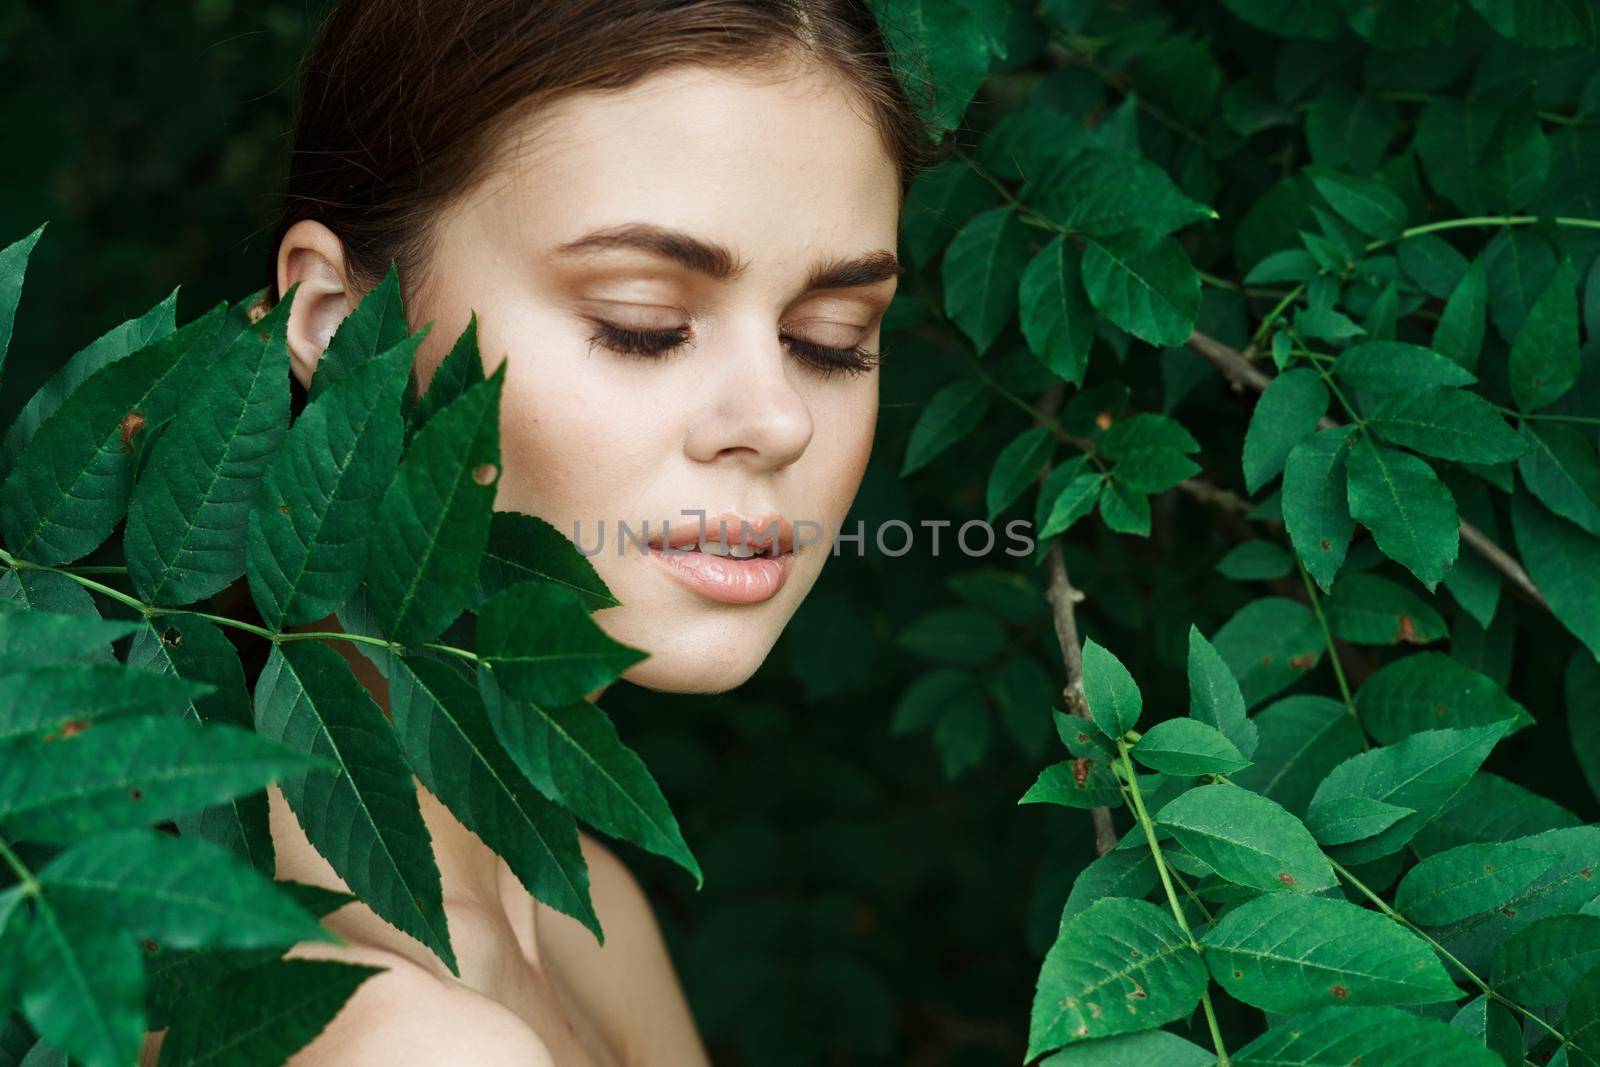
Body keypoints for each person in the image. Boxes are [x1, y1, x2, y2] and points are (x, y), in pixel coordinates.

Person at [142, 2, 921, 1064]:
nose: (779, 418)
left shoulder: (582, 904)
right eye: (641, 322)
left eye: (830, 339)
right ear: (331, 322)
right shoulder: (402, 1038)